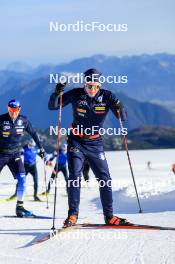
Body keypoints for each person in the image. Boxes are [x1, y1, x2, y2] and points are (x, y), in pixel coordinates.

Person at [48, 68, 129, 227]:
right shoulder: (76, 94)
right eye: (89, 86)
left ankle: (109, 216)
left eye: (95, 86)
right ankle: (72, 215)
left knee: (105, 179)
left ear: (100, 86)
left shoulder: (107, 96)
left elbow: (123, 117)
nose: (92, 89)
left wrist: (120, 105)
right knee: (74, 177)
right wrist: (56, 93)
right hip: (76, 141)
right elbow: (53, 106)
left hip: (95, 143)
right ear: (84, 84)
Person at [0, 99, 45, 217]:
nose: (13, 112)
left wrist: (41, 148)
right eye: (11, 109)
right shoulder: (1, 120)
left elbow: (34, 133)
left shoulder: (23, 120)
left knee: (22, 179)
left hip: (15, 154)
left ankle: (20, 207)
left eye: (15, 110)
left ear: (19, 110)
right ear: (7, 109)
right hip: (1, 154)